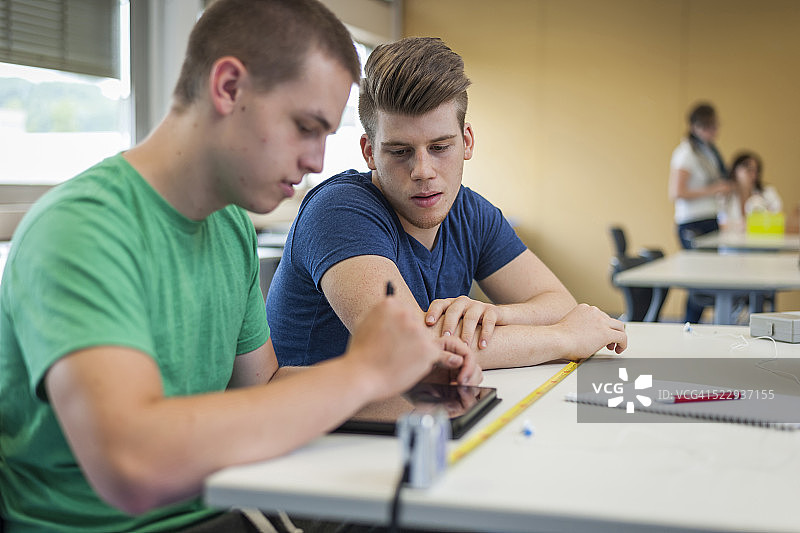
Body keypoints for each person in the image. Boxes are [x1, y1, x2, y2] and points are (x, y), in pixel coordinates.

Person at [0, 2, 478, 532]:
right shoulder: (81, 230)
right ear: (228, 87)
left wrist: (403, 381)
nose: (318, 161)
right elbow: (132, 465)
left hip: (226, 503)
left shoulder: (227, 226)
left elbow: (262, 391)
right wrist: (360, 370)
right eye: (305, 127)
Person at [266, 37, 627, 371]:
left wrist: (492, 315)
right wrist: (565, 338)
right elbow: (410, 349)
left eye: (440, 148)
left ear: (467, 142)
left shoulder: (470, 212)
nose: (423, 171)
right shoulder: (338, 210)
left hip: (415, 419)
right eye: (400, 151)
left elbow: (559, 305)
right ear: (369, 152)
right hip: (324, 435)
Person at [668, 102, 732, 323]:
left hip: (710, 220)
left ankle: (695, 324)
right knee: (698, 281)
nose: (713, 131)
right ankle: (689, 324)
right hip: (693, 223)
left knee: (708, 279)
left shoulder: (708, 151)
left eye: (715, 126)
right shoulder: (686, 153)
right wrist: (714, 189)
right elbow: (676, 191)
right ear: (695, 127)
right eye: (708, 127)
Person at [718, 152, 782, 232]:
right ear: (735, 171)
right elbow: (720, 223)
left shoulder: (767, 193)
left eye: (756, 171)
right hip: (731, 240)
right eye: (748, 170)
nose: (753, 175)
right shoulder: (724, 195)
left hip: (761, 240)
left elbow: (777, 218)